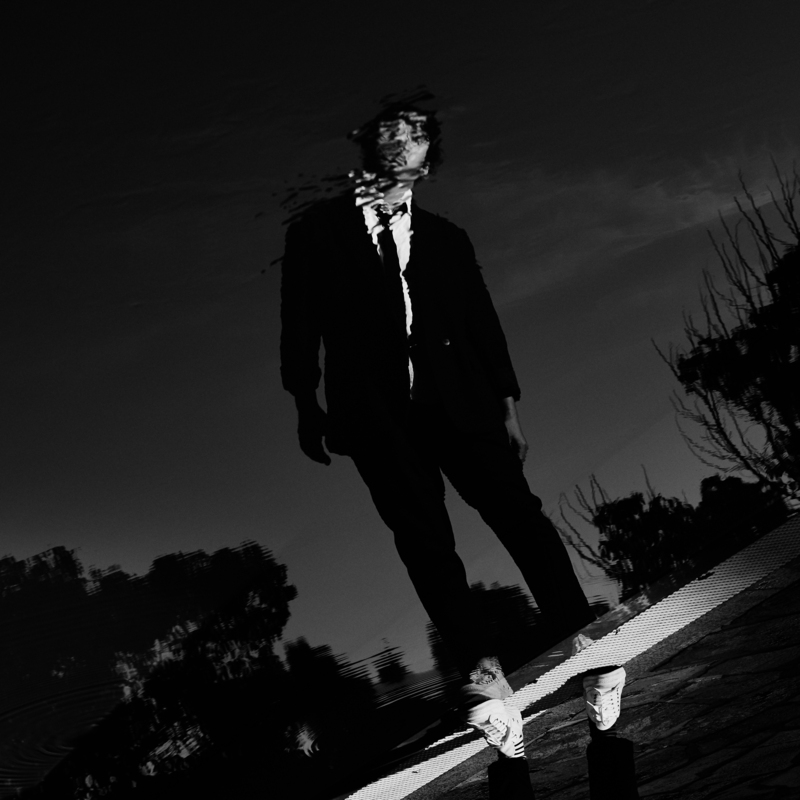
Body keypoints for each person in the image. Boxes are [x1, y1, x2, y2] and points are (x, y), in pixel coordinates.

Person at [280, 103, 633, 798]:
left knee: (518, 513)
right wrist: (304, 402)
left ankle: (581, 640)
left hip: (461, 402)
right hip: (377, 415)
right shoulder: (318, 232)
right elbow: (300, 322)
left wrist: (508, 405)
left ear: (427, 158)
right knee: (423, 538)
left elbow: (481, 322)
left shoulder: (447, 238)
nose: (401, 141)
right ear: (368, 146)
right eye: (391, 130)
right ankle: (483, 676)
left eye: (415, 134)